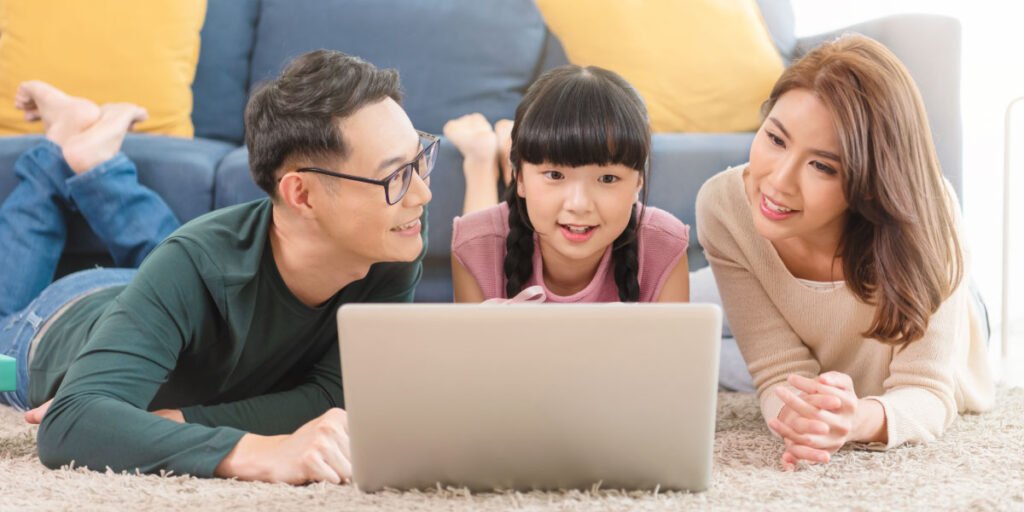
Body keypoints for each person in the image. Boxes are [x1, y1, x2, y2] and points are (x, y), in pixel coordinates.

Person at [0, 49, 435, 485]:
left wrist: (178, 422)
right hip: (56, 322)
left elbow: (338, 394)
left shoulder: (393, 236)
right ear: (301, 195)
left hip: (161, 296)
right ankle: (56, 150)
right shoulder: (195, 263)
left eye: (420, 161)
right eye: (396, 175)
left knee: (186, 262)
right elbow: (71, 424)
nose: (421, 193)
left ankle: (96, 162)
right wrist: (260, 451)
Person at [695, 35, 993, 470]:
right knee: (669, 319)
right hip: (813, 330)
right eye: (775, 139)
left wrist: (853, 421)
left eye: (822, 166)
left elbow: (926, 392)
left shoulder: (930, 215)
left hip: (952, 306)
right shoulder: (724, 205)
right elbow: (778, 369)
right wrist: (804, 420)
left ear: (870, 181)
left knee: (706, 348)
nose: (778, 181)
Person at [445, 65, 690, 303]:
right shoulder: (473, 244)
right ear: (519, 177)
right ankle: (481, 158)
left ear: (639, 181)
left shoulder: (665, 244)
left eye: (607, 178)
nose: (579, 205)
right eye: (555, 175)